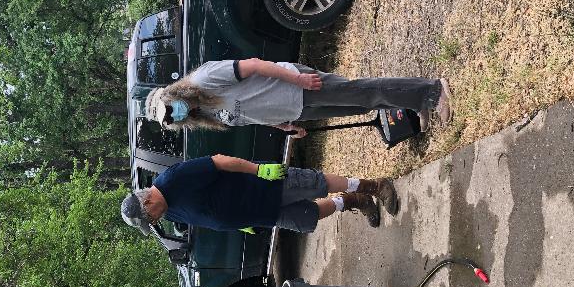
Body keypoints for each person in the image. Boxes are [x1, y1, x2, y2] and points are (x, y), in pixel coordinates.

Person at [144, 58, 451, 138]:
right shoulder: (204, 114)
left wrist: (298, 78)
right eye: (170, 119)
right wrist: (282, 125)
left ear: (171, 94)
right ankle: (414, 102)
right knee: (362, 105)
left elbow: (254, 65)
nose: (174, 114)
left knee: (363, 91)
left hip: (295, 86)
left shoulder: (204, 79)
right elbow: (248, 115)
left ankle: (432, 91)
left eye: (170, 109)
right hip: (294, 109)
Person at [120, 154, 396, 235]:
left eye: (149, 218)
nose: (154, 221)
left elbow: (218, 161)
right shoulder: (169, 211)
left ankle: (373, 186)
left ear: (148, 202)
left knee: (316, 184)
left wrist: (259, 169)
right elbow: (203, 214)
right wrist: (239, 224)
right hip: (261, 214)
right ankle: (353, 201)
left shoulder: (174, 179)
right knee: (308, 218)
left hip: (263, 185)